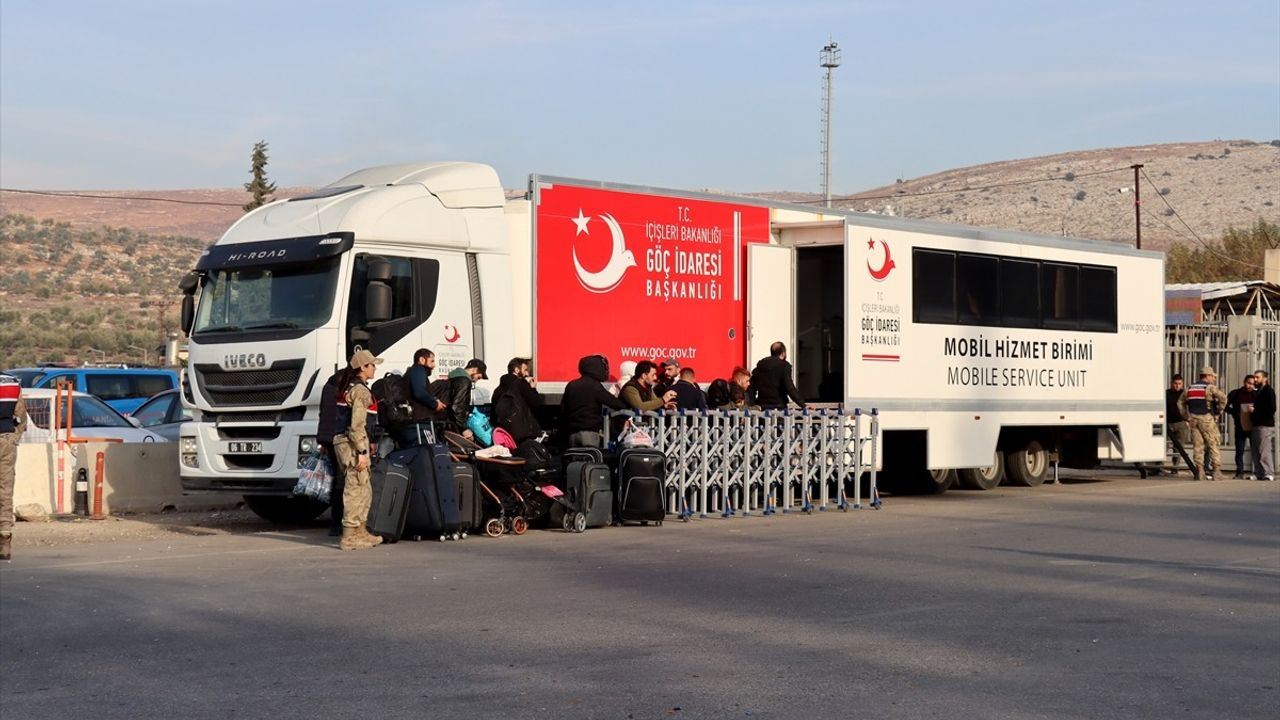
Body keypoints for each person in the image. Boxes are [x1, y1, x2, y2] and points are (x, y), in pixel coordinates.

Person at [333, 348, 385, 551]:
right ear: (363, 367)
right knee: (356, 488)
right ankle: (349, 536)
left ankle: (360, 532)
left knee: (364, 488)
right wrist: (362, 453)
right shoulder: (361, 391)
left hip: (348, 442)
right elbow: (356, 426)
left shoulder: (351, 387)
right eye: (372, 365)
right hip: (352, 445)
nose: (374, 369)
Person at [560, 355, 627, 446]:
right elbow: (615, 403)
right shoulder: (595, 386)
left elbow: (563, 409)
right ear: (597, 369)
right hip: (589, 434)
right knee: (590, 458)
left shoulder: (571, 385)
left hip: (572, 434)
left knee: (575, 458)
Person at [1178, 366, 1227, 481]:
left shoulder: (1189, 388)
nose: (1214, 379)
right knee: (1213, 443)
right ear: (1207, 376)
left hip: (1193, 419)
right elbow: (1223, 398)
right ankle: (1216, 471)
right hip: (1207, 419)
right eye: (1212, 377)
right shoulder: (1210, 388)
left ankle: (1199, 472)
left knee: (1198, 445)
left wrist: (1186, 416)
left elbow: (1180, 402)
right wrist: (1219, 411)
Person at [0, 374, 29, 561]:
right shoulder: (11, 384)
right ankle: (4, 539)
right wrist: (14, 438)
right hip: (6, 439)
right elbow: (21, 417)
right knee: (5, 488)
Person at [316, 369, 345, 537]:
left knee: (335, 481)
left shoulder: (328, 387)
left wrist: (322, 440)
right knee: (341, 483)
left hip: (327, 438)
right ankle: (337, 523)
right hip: (339, 438)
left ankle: (335, 524)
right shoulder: (344, 388)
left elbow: (323, 415)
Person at [401, 348, 447, 448]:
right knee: (427, 453)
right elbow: (419, 393)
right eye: (432, 361)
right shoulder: (418, 370)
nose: (434, 365)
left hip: (414, 423)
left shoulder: (413, 372)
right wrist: (435, 404)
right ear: (422, 360)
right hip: (419, 424)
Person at [492, 357, 543, 442]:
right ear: (516, 370)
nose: (527, 373)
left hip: (504, 432)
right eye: (525, 370)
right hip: (521, 433)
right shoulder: (521, 384)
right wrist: (533, 388)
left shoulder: (498, 389)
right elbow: (536, 403)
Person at [749, 342, 804, 410]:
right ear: (783, 353)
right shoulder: (784, 366)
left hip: (762, 408)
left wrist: (753, 405)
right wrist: (803, 405)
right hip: (779, 408)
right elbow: (790, 388)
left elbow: (751, 389)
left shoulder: (759, 367)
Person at [1225, 374, 1256, 478]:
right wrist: (1234, 413)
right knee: (1239, 450)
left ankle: (1257, 471)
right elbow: (1225, 405)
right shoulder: (1235, 394)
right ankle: (1240, 472)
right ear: (1244, 382)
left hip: (1253, 425)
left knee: (1255, 449)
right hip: (1240, 425)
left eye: (1252, 384)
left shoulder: (1256, 394)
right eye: (1249, 383)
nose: (1250, 386)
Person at [1250, 369, 1275, 481]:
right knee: (1255, 450)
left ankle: (1268, 472)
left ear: (1265, 378)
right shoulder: (1257, 391)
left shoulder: (1268, 391)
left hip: (1265, 424)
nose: (1255, 379)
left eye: (1257, 377)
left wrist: (1255, 410)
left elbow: (1271, 408)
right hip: (1256, 424)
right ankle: (1258, 472)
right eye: (1254, 377)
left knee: (1264, 450)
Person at [1164, 374, 1190, 475]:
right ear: (1171, 383)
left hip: (1180, 423)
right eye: (1175, 383)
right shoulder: (1166, 393)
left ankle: (1175, 467)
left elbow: (1191, 406)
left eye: (1179, 384)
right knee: (1163, 445)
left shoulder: (1184, 394)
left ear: (1182, 383)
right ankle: (1157, 466)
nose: (1177, 386)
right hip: (1168, 423)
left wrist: (1188, 420)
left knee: (1179, 447)